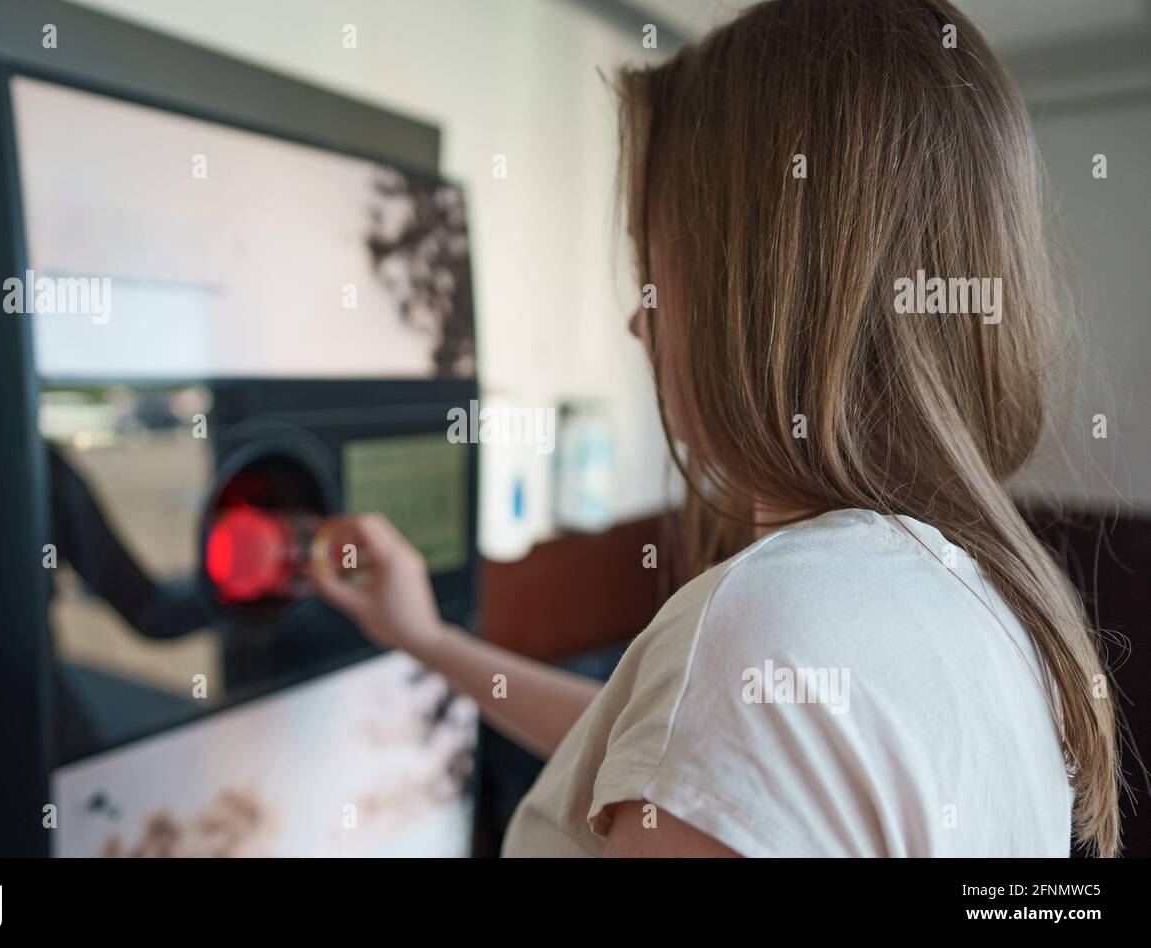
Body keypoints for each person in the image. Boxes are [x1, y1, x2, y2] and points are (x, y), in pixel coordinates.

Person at [312, 0, 1121, 857]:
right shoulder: (966, 598)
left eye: (654, 264)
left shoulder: (768, 626)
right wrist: (430, 642)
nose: (639, 323)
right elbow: (682, 763)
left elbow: (716, 745)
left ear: (758, 296)